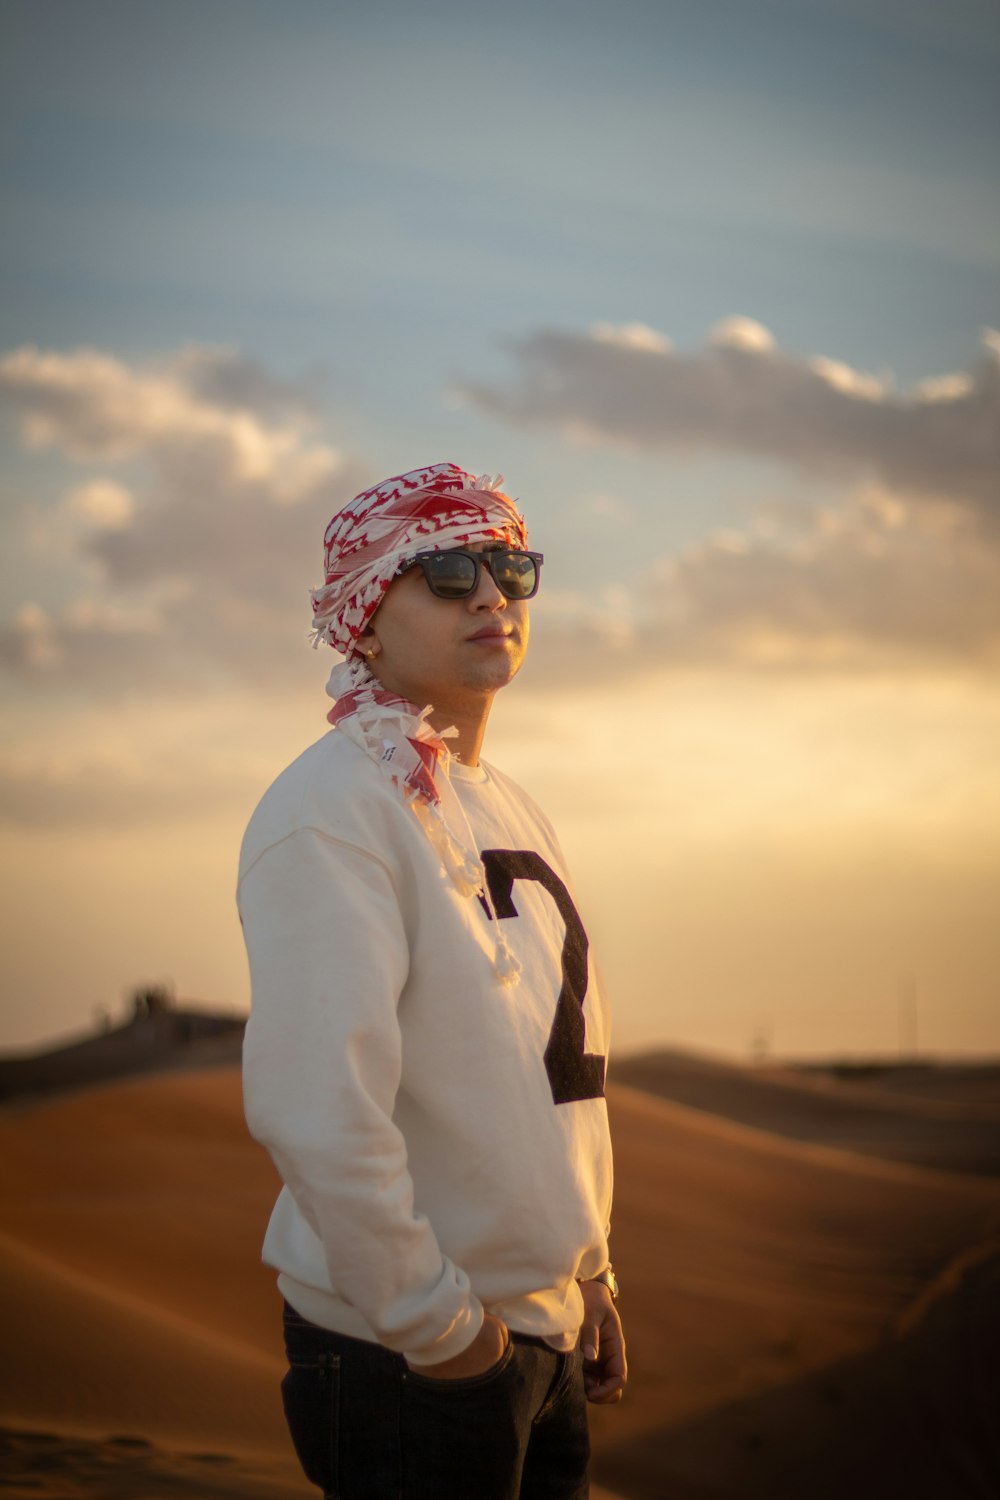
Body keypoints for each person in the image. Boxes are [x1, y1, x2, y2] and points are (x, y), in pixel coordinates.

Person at [239, 462, 626, 1500]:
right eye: (447, 572)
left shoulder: (502, 801)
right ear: (364, 620)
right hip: (413, 1359)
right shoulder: (333, 811)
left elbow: (540, 1072)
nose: (491, 596)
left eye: (508, 567)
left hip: (535, 1334)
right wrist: (444, 1335)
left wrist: (583, 1273)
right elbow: (317, 1106)